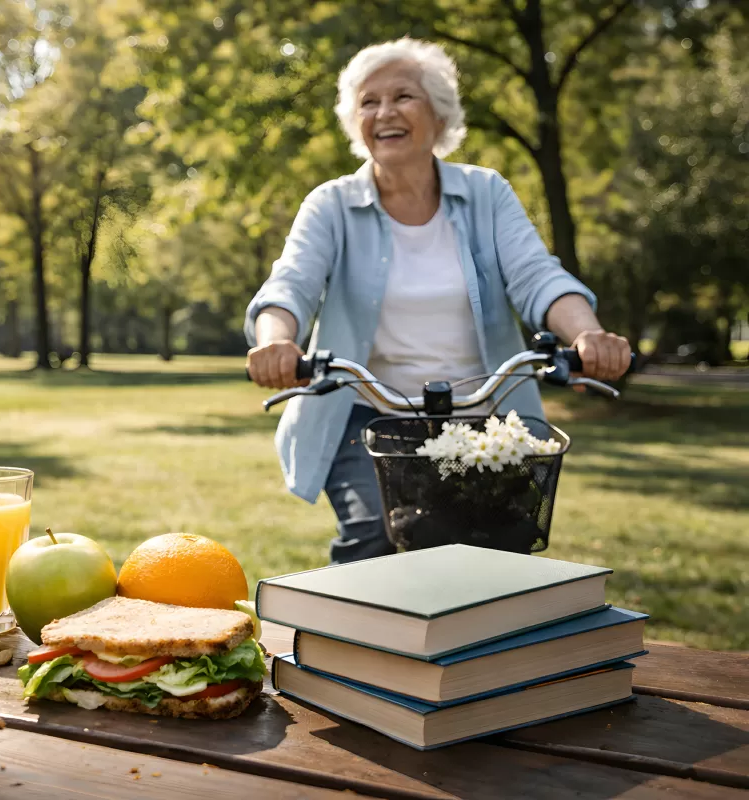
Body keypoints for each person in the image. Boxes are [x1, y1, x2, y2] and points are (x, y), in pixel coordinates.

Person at [244, 38, 631, 564]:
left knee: (501, 547)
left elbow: (537, 276)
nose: (384, 112)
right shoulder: (331, 205)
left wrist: (586, 335)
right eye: (368, 101)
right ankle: (353, 643)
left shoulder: (486, 194)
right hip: (367, 415)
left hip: (484, 415)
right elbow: (290, 286)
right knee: (381, 535)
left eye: (403, 96)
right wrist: (276, 343)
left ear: (439, 113)